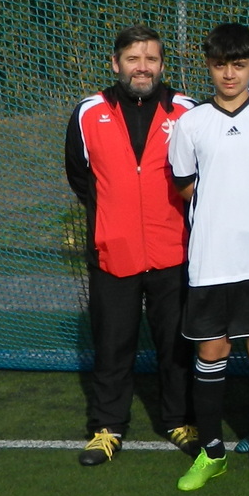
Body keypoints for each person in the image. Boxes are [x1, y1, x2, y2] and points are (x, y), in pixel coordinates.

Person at [167, 23, 249, 492]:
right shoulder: (191, 123)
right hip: (211, 260)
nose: (229, 74)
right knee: (211, 351)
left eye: (239, 65)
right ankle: (212, 454)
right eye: (221, 65)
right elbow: (184, 184)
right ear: (209, 66)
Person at [65, 26, 198, 467]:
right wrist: (114, 220)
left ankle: (178, 419)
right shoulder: (88, 112)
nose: (143, 67)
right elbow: (81, 178)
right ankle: (107, 428)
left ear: (163, 64)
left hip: (173, 251)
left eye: (152, 59)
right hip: (114, 252)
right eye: (133, 59)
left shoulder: (187, 111)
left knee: (176, 344)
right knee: (112, 344)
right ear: (116, 63)